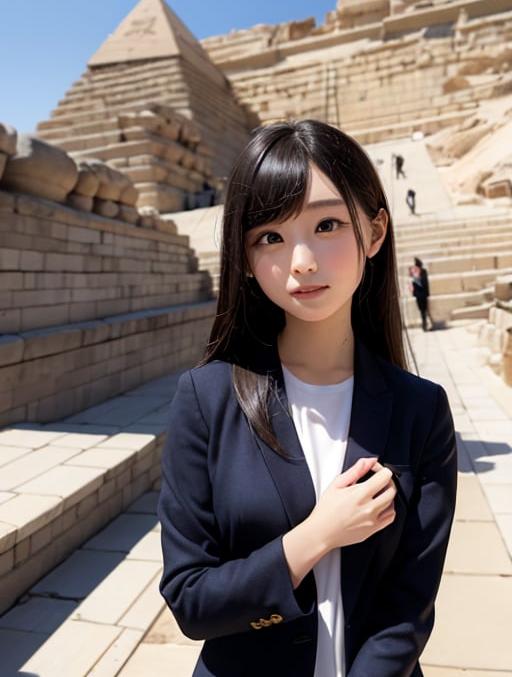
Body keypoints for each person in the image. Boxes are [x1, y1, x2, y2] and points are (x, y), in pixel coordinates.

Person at [158, 120, 457, 677]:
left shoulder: (422, 410)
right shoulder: (206, 399)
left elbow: (408, 612)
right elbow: (191, 600)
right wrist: (317, 536)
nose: (301, 261)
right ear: (245, 256)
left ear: (374, 232)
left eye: (327, 224)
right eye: (270, 236)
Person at [410, 257, 432, 331]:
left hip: (418, 294)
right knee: (423, 309)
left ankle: (424, 324)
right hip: (422, 294)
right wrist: (427, 292)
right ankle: (424, 324)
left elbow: (414, 283)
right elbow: (425, 283)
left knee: (422, 310)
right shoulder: (422, 271)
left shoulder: (414, 271)